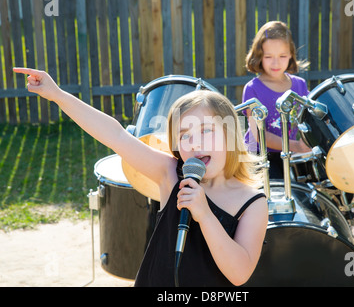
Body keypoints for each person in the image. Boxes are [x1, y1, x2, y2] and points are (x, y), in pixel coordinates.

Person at [13, 67, 268, 287]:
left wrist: (204, 215)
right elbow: (116, 136)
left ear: (230, 134)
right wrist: (56, 95)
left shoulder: (253, 203)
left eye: (206, 131)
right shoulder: (171, 174)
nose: (196, 143)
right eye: (185, 135)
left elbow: (239, 273)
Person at [243, 21, 311, 179]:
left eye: (282, 56)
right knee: (276, 191)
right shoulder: (253, 89)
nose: (276, 63)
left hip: (292, 155)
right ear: (259, 56)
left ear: (291, 56)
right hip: (262, 157)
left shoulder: (299, 85)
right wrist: (296, 146)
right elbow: (259, 135)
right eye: (268, 57)